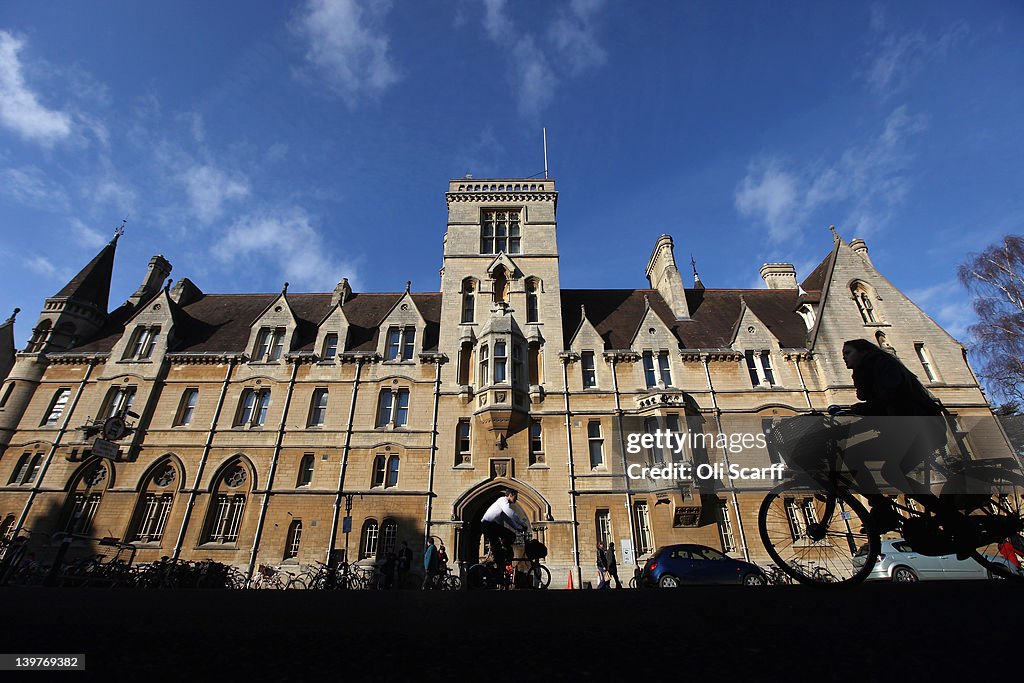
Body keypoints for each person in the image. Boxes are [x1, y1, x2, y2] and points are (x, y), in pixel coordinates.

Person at [837, 338, 947, 531]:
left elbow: (891, 399)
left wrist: (861, 411)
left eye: (848, 353)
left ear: (863, 351)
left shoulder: (881, 365)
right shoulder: (870, 370)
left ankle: (884, 511)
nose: (844, 358)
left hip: (920, 426)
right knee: (892, 471)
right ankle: (947, 517)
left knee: (862, 459)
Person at [480, 489, 528, 578]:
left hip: (490, 526)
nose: (516, 499)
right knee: (511, 536)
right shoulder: (503, 500)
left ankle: (499, 571)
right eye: (515, 497)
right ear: (510, 495)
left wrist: (517, 528)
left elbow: (507, 519)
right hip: (489, 525)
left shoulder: (502, 505)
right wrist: (522, 524)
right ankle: (503, 549)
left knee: (498, 550)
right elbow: (511, 513)